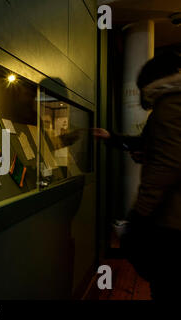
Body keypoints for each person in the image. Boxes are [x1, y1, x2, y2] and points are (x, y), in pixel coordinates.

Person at [92, 50, 181, 300]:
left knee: (166, 284)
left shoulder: (170, 105)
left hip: (172, 218)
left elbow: (166, 167)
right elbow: (156, 147)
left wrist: (139, 215)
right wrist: (114, 139)